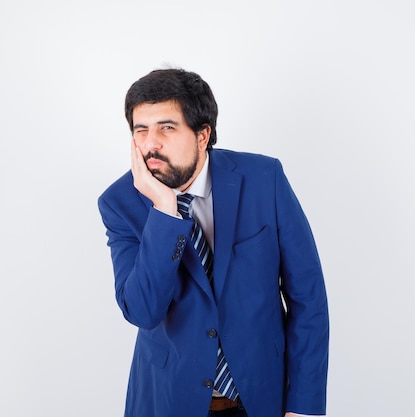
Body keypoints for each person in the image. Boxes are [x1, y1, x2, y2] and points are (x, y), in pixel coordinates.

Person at [97, 68, 329, 417]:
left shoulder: (264, 179)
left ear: (202, 135)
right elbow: (143, 311)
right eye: (140, 130)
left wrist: (305, 406)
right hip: (169, 400)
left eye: (167, 128)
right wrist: (164, 212)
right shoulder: (120, 203)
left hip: (261, 397)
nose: (150, 143)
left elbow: (307, 297)